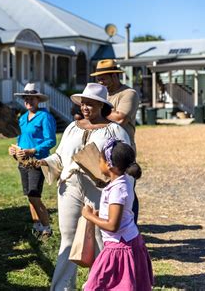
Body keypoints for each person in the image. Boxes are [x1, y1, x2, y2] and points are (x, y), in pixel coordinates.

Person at [43, 83, 130, 291]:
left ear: (101, 106)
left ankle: (101, 285)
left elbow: (124, 163)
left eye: (90, 104)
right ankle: (62, 287)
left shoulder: (115, 131)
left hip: (100, 188)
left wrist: (113, 186)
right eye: (83, 104)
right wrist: (42, 162)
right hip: (70, 186)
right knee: (68, 238)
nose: (85, 108)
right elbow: (60, 155)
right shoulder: (73, 127)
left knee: (101, 238)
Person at [82, 138, 153, 290]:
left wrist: (90, 216)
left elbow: (113, 225)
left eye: (100, 159)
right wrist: (101, 213)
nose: (98, 162)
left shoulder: (117, 190)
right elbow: (121, 212)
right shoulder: (125, 180)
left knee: (96, 286)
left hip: (118, 249)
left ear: (109, 164)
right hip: (130, 242)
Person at [91, 59, 141, 223]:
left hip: (121, 151)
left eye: (103, 78)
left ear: (114, 75)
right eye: (98, 78)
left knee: (125, 191)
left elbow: (120, 118)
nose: (100, 81)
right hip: (102, 152)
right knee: (105, 192)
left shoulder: (128, 94)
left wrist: (98, 110)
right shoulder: (103, 94)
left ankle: (130, 230)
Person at [9, 83, 57, 239]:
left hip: (37, 161)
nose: (28, 101)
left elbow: (50, 140)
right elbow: (20, 139)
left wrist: (33, 150)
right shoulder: (22, 118)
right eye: (26, 98)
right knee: (29, 196)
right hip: (22, 161)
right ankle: (36, 226)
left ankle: (47, 228)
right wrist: (14, 150)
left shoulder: (45, 117)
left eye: (31, 98)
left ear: (38, 100)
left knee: (34, 195)